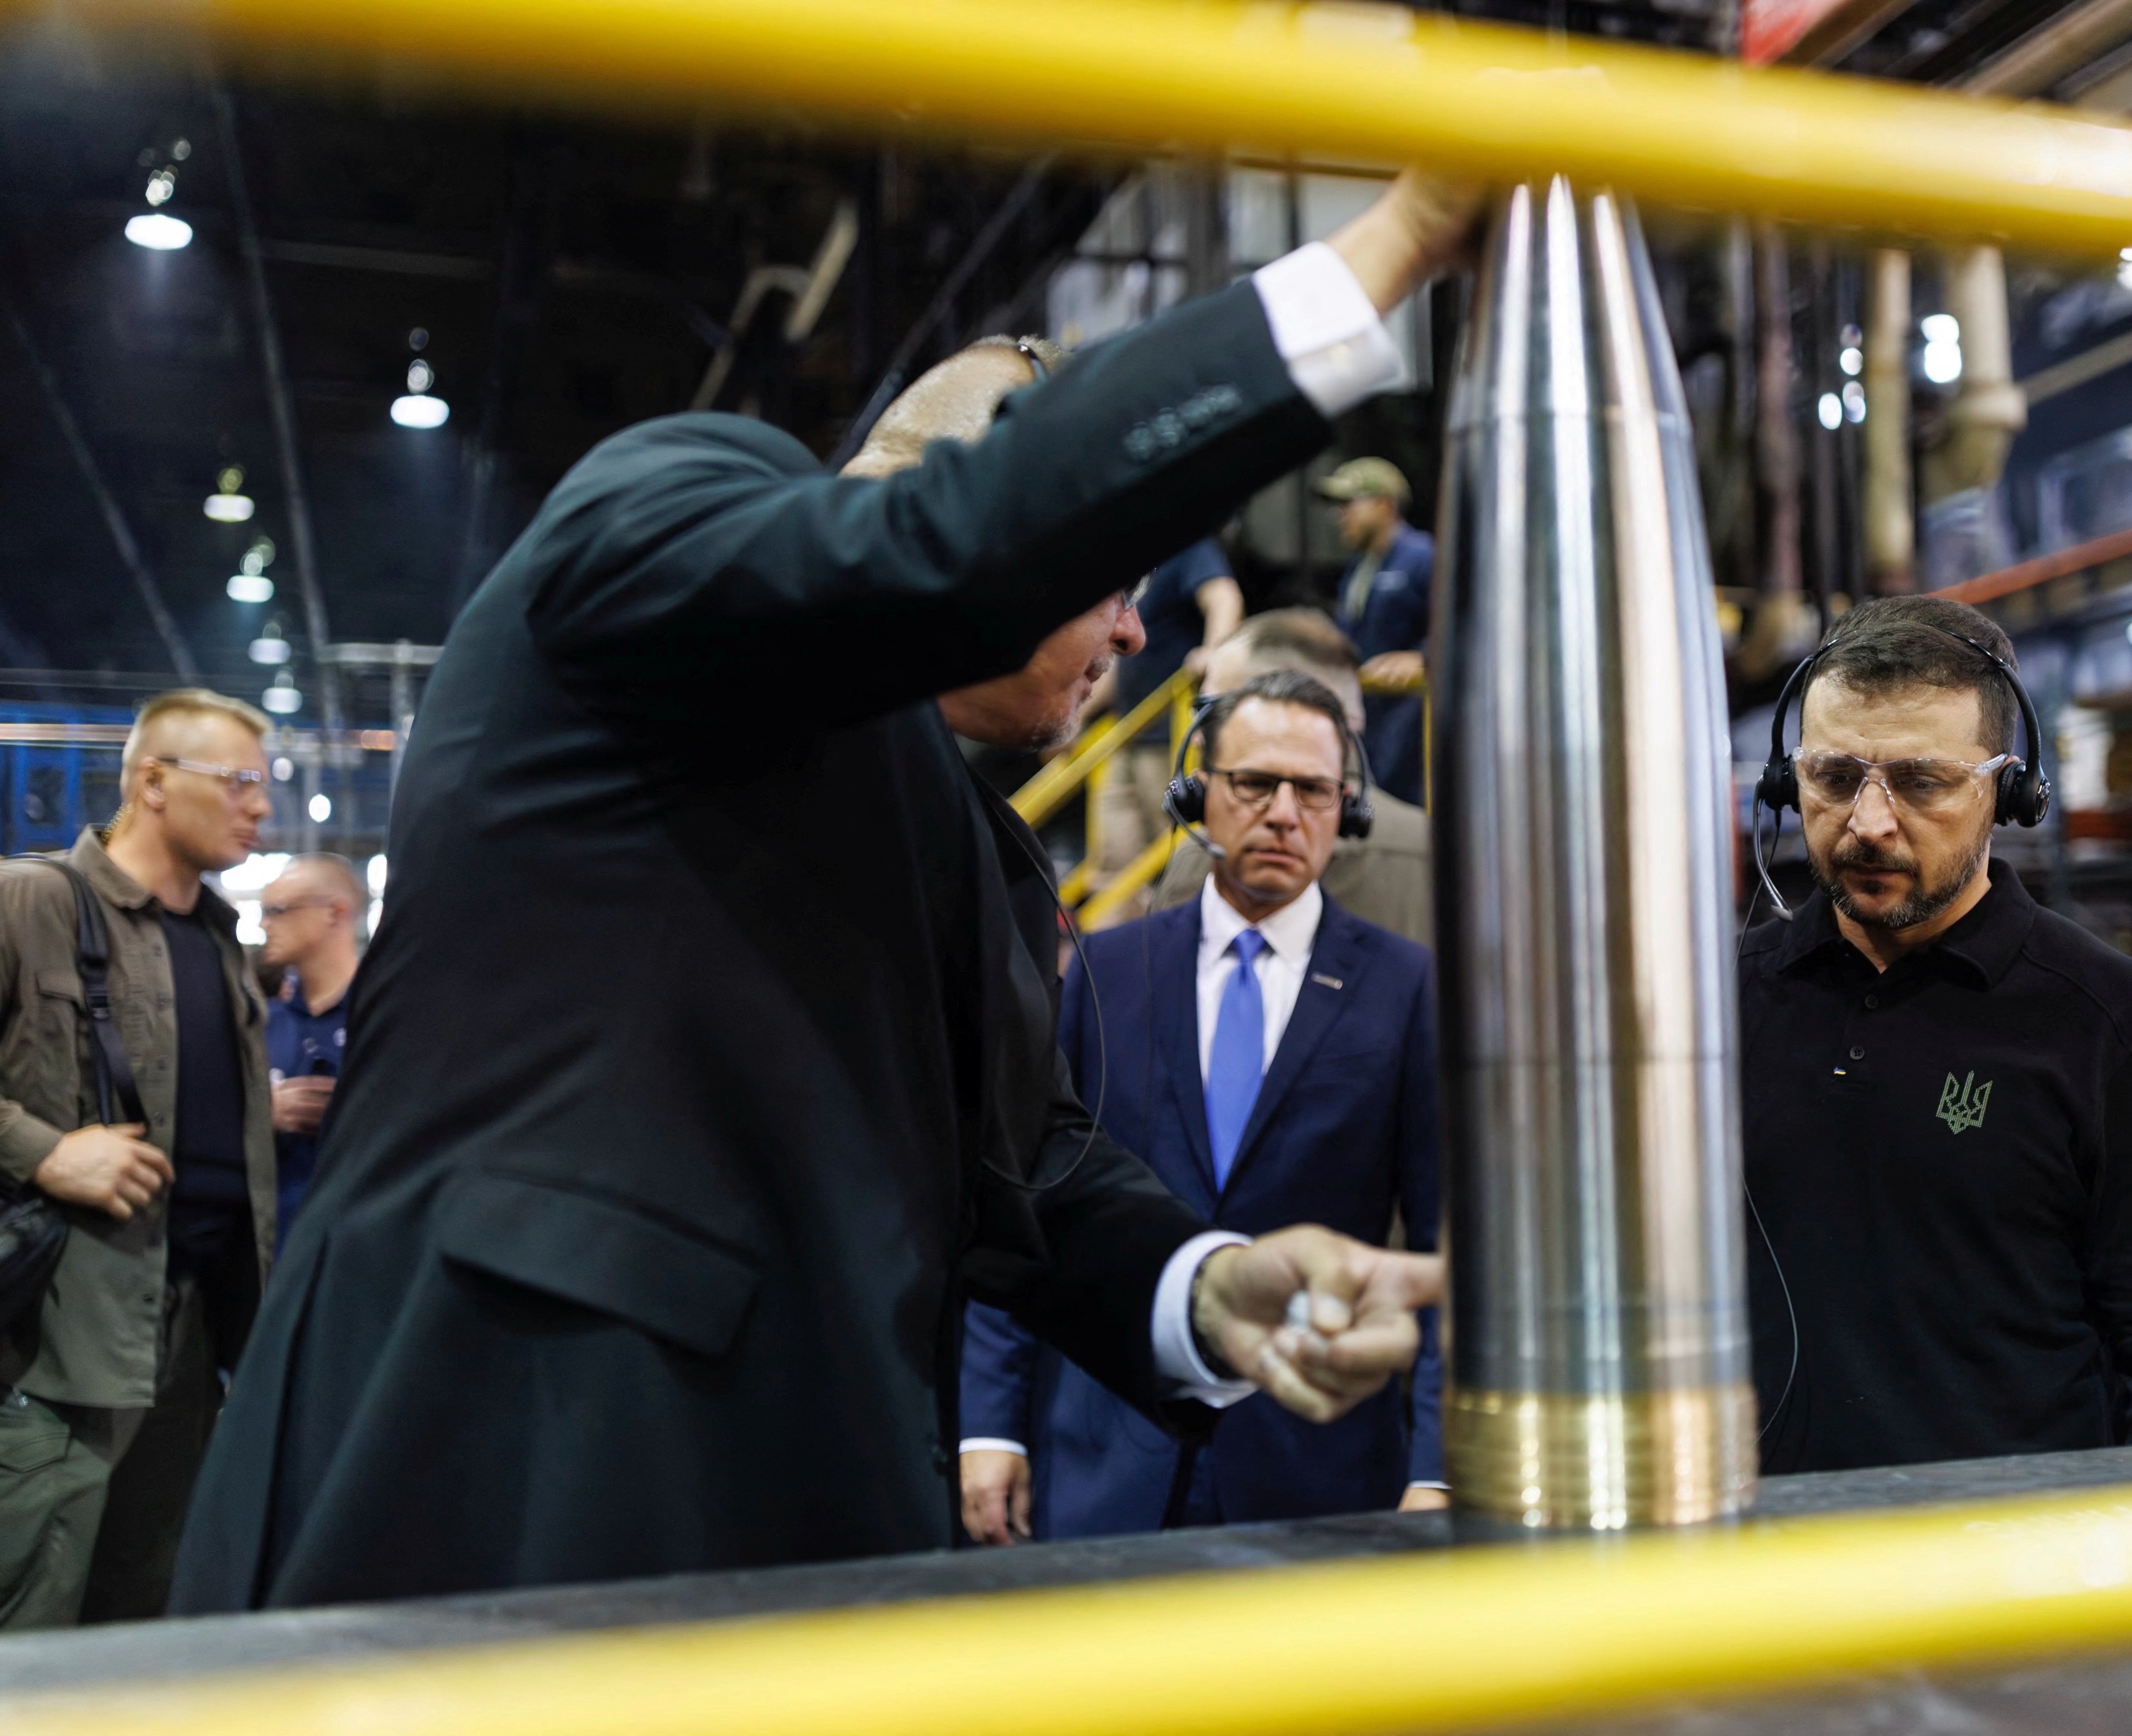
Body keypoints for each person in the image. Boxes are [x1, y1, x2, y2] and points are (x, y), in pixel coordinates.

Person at [171, 169, 1478, 1614]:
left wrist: (1205, 1287)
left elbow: (1027, 1167)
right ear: (960, 485)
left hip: (798, 1541)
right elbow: (942, 555)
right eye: (1112, 571)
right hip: (497, 1477)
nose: (1128, 627)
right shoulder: (664, 503)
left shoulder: (971, 838)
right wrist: (1391, 246)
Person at [1743, 595, 2132, 1476]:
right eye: (1832, 779)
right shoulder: (1715, 1007)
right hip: (1761, 1580)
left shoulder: (2116, 1026)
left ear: (2009, 791)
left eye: (1921, 782)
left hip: (2017, 1584)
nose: (1868, 822)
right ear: (1790, 783)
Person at [961, 672, 1442, 1544]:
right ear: (1196, 795)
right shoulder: (1104, 973)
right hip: (1107, 1450)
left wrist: (1436, 1469)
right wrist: (990, 1424)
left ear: (1349, 810)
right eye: (1255, 784)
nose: (1284, 813)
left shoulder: (1406, 989)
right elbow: (1023, 1191)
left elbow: (1446, 1246)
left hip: (1318, 1463)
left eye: (1314, 791)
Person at [0, 690, 277, 1628]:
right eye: (239, 781)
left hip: (192, 1338)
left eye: (263, 784)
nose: (260, 806)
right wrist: (44, 1154)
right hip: (52, 1347)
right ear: (152, 781)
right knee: (31, 1619)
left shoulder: (221, 943)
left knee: (143, 1619)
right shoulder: (33, 901)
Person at [1150, 608, 1431, 945]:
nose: (1196, 736)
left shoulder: (1206, 860)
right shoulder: (1439, 851)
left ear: (1285, 698)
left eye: (1212, 712)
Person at [1089, 539, 1243, 912]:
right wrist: (1077, 716)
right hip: (1125, 734)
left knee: (1178, 853)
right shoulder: (1136, 565)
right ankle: (1112, 961)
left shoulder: (1188, 546)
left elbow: (1224, 597)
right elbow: (1120, 664)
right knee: (1113, 857)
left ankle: (1180, 953)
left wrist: (1214, 656)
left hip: (1170, 738)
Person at [259, 854, 365, 1240]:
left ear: (334, 913)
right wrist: (260, 1118)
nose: (264, 924)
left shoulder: (387, 1024)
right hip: (275, 1255)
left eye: (277, 910)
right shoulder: (260, 1026)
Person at [1323, 456, 1433, 807]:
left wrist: (1425, 657)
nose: (1340, 516)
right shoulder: (1359, 568)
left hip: (1413, 728)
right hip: (1372, 722)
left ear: (1385, 505)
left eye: (1349, 504)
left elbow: (1468, 620)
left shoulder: (1422, 557)